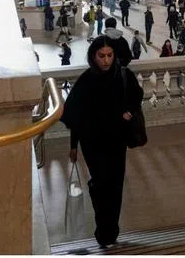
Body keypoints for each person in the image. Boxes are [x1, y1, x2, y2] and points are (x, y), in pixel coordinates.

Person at [60, 36, 144, 249]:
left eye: (109, 55)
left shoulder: (123, 75)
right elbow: (75, 115)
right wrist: (73, 145)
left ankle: (110, 231)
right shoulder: (86, 80)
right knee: (102, 183)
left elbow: (136, 95)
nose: (106, 60)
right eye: (101, 56)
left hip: (116, 140)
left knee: (115, 185)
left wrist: (128, 113)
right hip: (92, 142)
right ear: (93, 56)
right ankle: (104, 230)